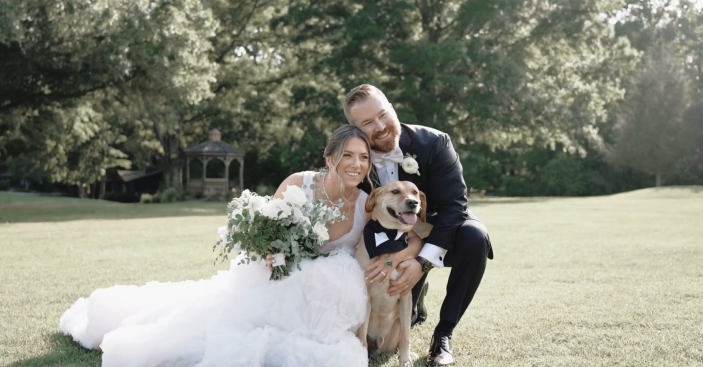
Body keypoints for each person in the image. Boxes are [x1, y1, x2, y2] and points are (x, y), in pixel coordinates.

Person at [59, 125, 421, 367]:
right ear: (329, 158)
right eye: (347, 155)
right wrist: (270, 251)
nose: (356, 164)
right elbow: (265, 231)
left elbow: (401, 236)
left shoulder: (367, 202)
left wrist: (409, 256)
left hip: (330, 292)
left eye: (363, 158)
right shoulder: (299, 184)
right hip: (283, 275)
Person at [345, 84, 494, 366]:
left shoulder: (435, 143)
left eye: (383, 114)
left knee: (475, 238)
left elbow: (454, 206)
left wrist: (421, 261)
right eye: (367, 123)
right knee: (404, 309)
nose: (380, 126)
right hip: (386, 237)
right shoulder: (354, 156)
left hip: (438, 227)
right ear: (356, 129)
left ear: (392, 107)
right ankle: (414, 304)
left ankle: (443, 336)